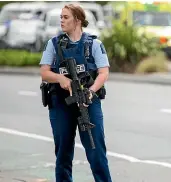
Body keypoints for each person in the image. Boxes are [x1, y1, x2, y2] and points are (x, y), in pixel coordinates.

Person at [39, 4, 112, 182]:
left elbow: (103, 73)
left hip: (88, 100)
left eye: (66, 17)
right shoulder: (54, 44)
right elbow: (44, 72)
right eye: (61, 17)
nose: (61, 20)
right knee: (63, 151)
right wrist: (61, 79)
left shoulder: (94, 44)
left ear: (77, 20)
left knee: (96, 151)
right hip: (60, 104)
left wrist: (90, 91)